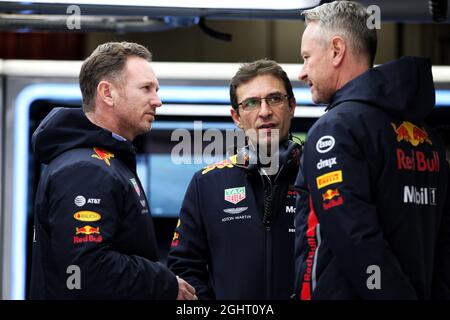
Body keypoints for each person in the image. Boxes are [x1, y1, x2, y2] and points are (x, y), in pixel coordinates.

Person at [293, 0, 450, 300]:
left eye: (306, 57)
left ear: (337, 50)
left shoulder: (335, 130)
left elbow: (355, 240)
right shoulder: (427, 136)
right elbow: (444, 244)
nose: (302, 72)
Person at [30, 42, 197, 300]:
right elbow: (85, 271)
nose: (158, 101)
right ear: (107, 93)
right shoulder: (85, 169)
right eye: (146, 88)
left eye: (156, 90)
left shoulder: (106, 162)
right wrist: (164, 283)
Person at [167, 59, 302, 299]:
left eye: (274, 98)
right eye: (251, 103)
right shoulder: (206, 184)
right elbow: (184, 269)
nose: (264, 111)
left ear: (291, 106)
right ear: (236, 117)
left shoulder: (317, 178)